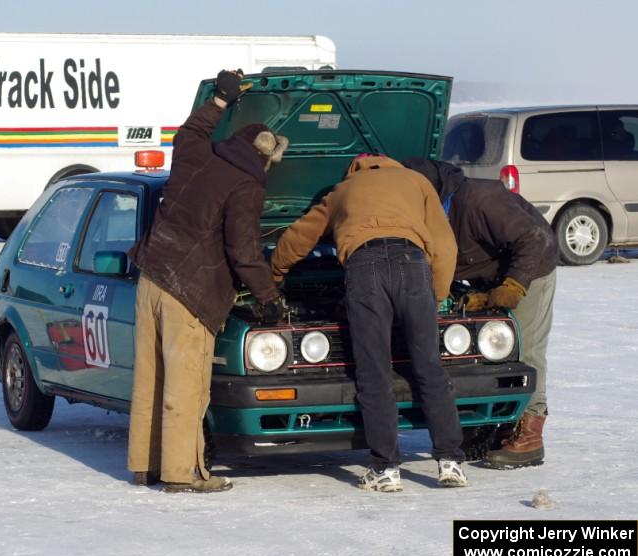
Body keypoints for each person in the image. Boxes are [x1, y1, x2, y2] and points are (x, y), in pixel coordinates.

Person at [127, 70, 289, 493]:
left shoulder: (198, 153)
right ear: (264, 156)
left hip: (151, 278)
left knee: (151, 377)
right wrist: (268, 297)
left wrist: (220, 99)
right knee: (186, 383)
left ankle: (146, 465)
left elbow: (190, 130)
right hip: (190, 292)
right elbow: (243, 251)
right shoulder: (246, 186)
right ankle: (183, 473)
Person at [270, 154, 468, 492]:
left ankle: (385, 469)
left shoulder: (343, 191)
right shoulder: (417, 182)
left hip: (365, 266)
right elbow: (445, 244)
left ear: (354, 171)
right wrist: (436, 295)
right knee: (429, 367)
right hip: (413, 262)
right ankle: (450, 461)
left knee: (374, 370)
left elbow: (298, 238)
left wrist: (274, 273)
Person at [403, 158, 557, 469]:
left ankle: (530, 434)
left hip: (532, 269)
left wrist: (514, 285)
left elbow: (534, 239)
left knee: (525, 347)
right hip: (486, 278)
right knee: (488, 352)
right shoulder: (426, 210)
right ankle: (495, 425)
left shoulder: (479, 198)